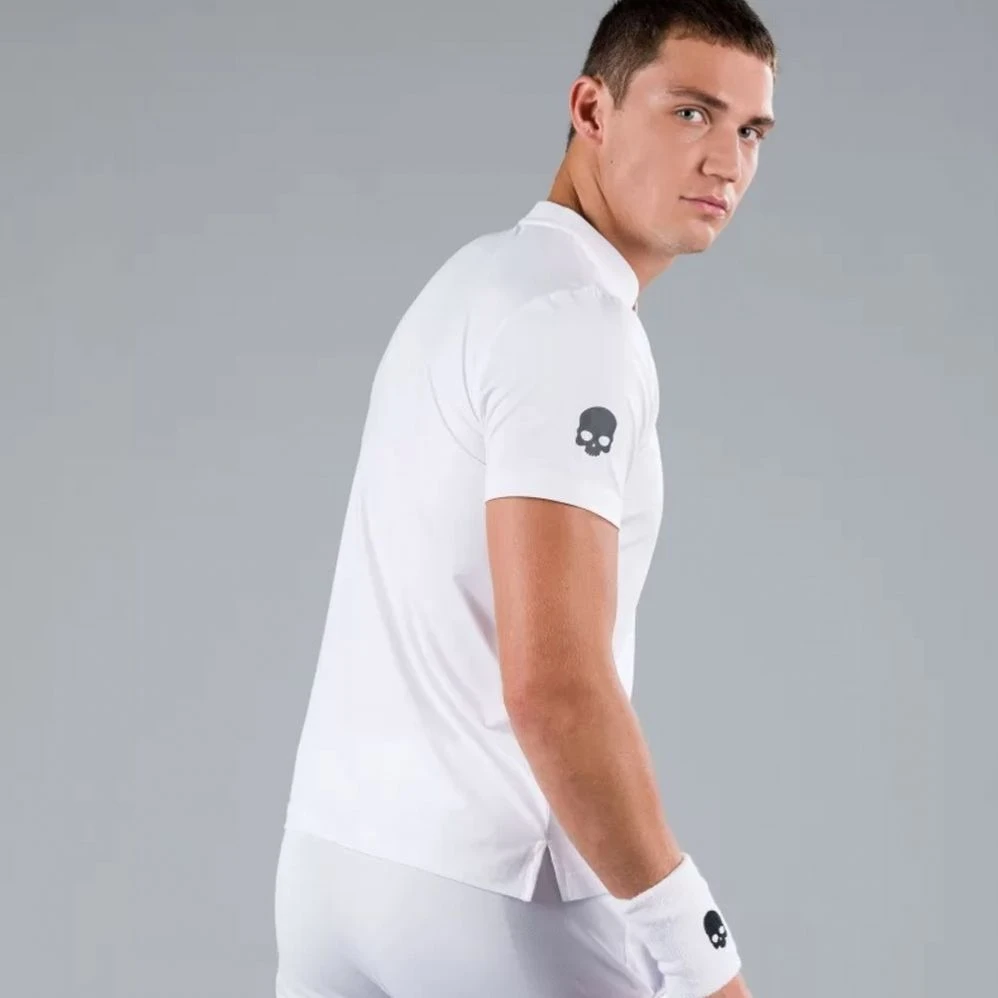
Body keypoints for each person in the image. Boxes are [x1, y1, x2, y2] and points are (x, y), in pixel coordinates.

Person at [274, 1, 778, 996]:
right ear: (591, 109)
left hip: (334, 863)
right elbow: (553, 683)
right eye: (690, 112)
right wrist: (700, 952)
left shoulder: (474, 281)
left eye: (751, 131)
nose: (726, 161)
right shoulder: (573, 322)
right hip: (493, 889)